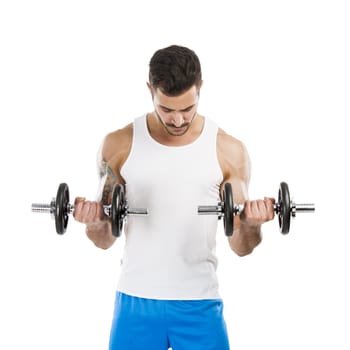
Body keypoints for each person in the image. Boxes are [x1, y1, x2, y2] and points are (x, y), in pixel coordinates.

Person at [73, 45, 275, 350]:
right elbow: (103, 238)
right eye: (166, 109)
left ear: (200, 89)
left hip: (199, 303)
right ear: (150, 90)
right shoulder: (118, 145)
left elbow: (242, 246)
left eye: (187, 109)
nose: (178, 120)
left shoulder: (229, 150)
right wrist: (93, 219)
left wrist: (252, 223)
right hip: (135, 301)